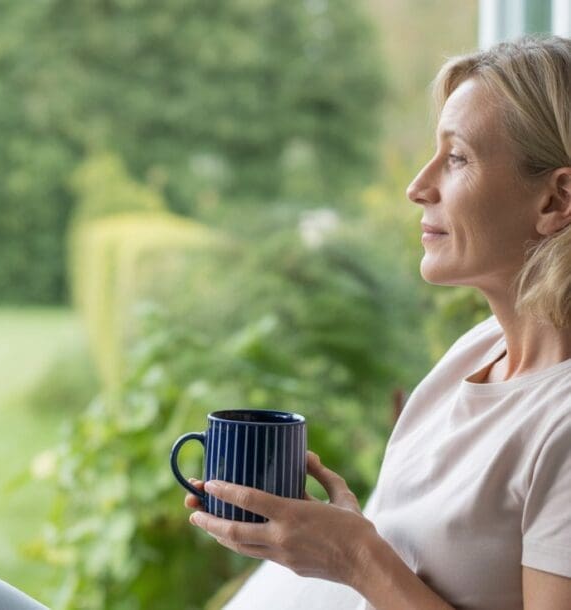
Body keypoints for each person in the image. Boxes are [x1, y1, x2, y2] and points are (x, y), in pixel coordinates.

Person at [184, 35, 571, 610]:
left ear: (555, 201)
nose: (418, 187)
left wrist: (358, 559)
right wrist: (335, 537)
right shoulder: (475, 352)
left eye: (458, 157)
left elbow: (378, 571)